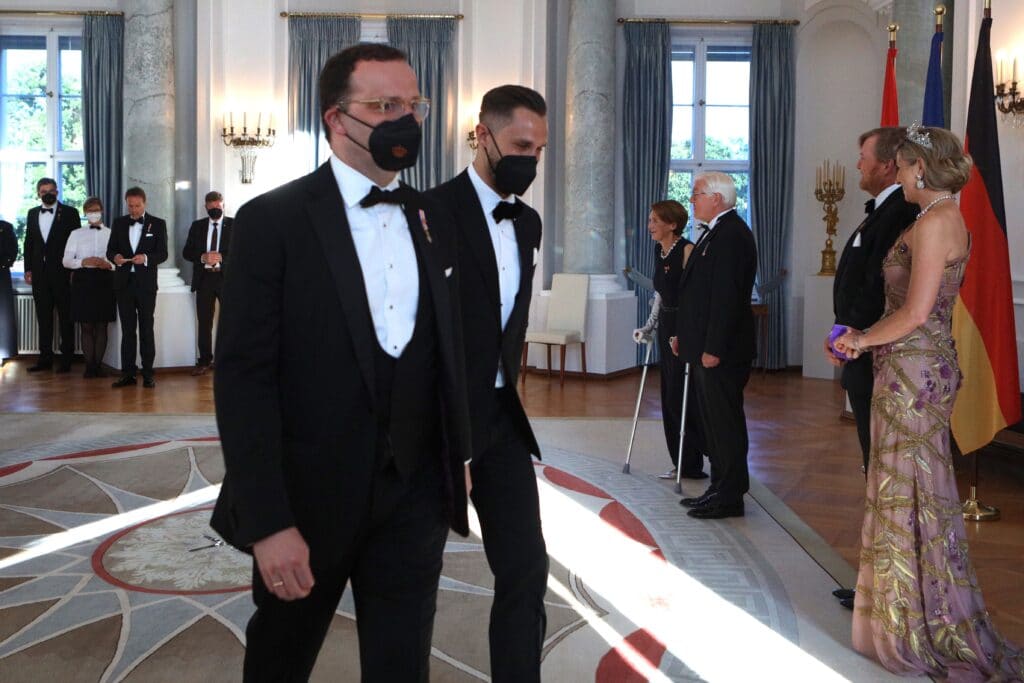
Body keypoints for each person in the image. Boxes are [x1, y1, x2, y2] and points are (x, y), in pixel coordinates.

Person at [210, 43, 472, 681]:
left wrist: (456, 458)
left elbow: (450, 353)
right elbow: (243, 380)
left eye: (413, 105)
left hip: (414, 494)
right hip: (307, 500)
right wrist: (269, 523)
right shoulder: (271, 220)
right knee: (281, 657)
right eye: (384, 106)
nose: (404, 120)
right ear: (336, 119)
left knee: (402, 663)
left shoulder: (437, 217)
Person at [835, 125, 1023, 679]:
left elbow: (916, 312)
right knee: (903, 486)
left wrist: (861, 339)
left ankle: (919, 620)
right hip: (907, 367)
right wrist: (864, 343)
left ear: (920, 167)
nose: (898, 169)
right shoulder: (931, 219)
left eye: (905, 161)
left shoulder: (939, 222)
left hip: (915, 373)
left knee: (911, 487)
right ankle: (903, 611)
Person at [426, 84, 549, 681]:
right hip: (433, 418)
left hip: (501, 415)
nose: (531, 160)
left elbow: (511, 323)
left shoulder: (529, 224)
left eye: (540, 149)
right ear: (483, 135)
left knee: (526, 568)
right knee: (410, 579)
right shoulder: (425, 213)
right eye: (522, 145)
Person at [825, 127, 918, 610]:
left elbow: (879, 287)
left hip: (878, 353)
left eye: (863, 157)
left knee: (880, 465)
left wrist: (850, 334)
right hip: (860, 348)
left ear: (888, 164)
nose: (857, 164)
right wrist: (842, 330)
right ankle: (874, 575)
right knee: (871, 463)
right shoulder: (882, 210)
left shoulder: (900, 211)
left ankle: (884, 579)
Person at [673, 172, 757, 519]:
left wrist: (713, 347)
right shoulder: (717, 233)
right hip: (706, 347)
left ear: (717, 199)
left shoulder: (732, 235)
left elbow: (726, 299)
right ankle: (719, 487)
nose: (691, 200)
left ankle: (730, 494)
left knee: (725, 423)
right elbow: (697, 296)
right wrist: (686, 337)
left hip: (721, 352)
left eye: (696, 194)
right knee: (713, 422)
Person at [633, 200, 707, 481]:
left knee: (684, 394)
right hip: (666, 324)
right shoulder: (659, 250)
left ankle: (693, 463)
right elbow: (660, 294)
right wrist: (649, 326)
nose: (650, 226)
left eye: (655, 221)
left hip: (683, 326)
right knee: (670, 395)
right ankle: (680, 461)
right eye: (650, 220)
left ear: (672, 224)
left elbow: (694, 298)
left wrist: (685, 333)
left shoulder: (687, 250)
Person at [107, 187, 168, 389]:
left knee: (146, 330)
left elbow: (163, 253)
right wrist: (114, 257)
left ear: (145, 203)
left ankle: (148, 374)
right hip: (123, 284)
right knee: (127, 331)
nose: (133, 210)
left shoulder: (158, 224)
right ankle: (128, 373)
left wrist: (146, 258)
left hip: (146, 286)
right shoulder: (119, 223)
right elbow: (110, 250)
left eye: (137, 206)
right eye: (130, 206)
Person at [22, 177, 80, 372]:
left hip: (63, 273)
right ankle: (45, 359)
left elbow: (76, 243)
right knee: (43, 317)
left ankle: (66, 360)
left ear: (57, 192)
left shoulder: (71, 213)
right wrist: (28, 269)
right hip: (39, 274)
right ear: (38, 193)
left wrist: (73, 270)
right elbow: (28, 243)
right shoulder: (31, 214)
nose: (47, 193)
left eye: (51, 190)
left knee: (66, 317)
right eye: (43, 190)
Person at [62, 197, 116, 378]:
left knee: (102, 325)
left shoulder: (111, 233)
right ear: (85, 213)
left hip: (104, 280)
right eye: (90, 211)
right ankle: (89, 367)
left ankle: (98, 366)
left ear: (102, 211)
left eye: (96, 210)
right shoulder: (76, 234)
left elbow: (119, 260)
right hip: (83, 279)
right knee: (86, 325)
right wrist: (83, 261)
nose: (93, 214)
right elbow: (66, 261)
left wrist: (108, 264)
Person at [182, 190, 232, 375]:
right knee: (204, 322)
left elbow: (243, 251)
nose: (215, 211)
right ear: (205, 208)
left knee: (230, 321)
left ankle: (229, 361)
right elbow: (187, 252)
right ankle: (204, 361)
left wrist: (222, 257)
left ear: (223, 205)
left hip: (226, 278)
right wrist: (202, 257)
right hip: (204, 280)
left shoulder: (234, 225)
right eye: (211, 208)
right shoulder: (197, 226)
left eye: (218, 207)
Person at [0, 218, 16, 364]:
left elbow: (13, 250)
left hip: (1, 274)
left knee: (2, 314)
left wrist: (4, 264)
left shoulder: (6, 227)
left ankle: (1, 352)